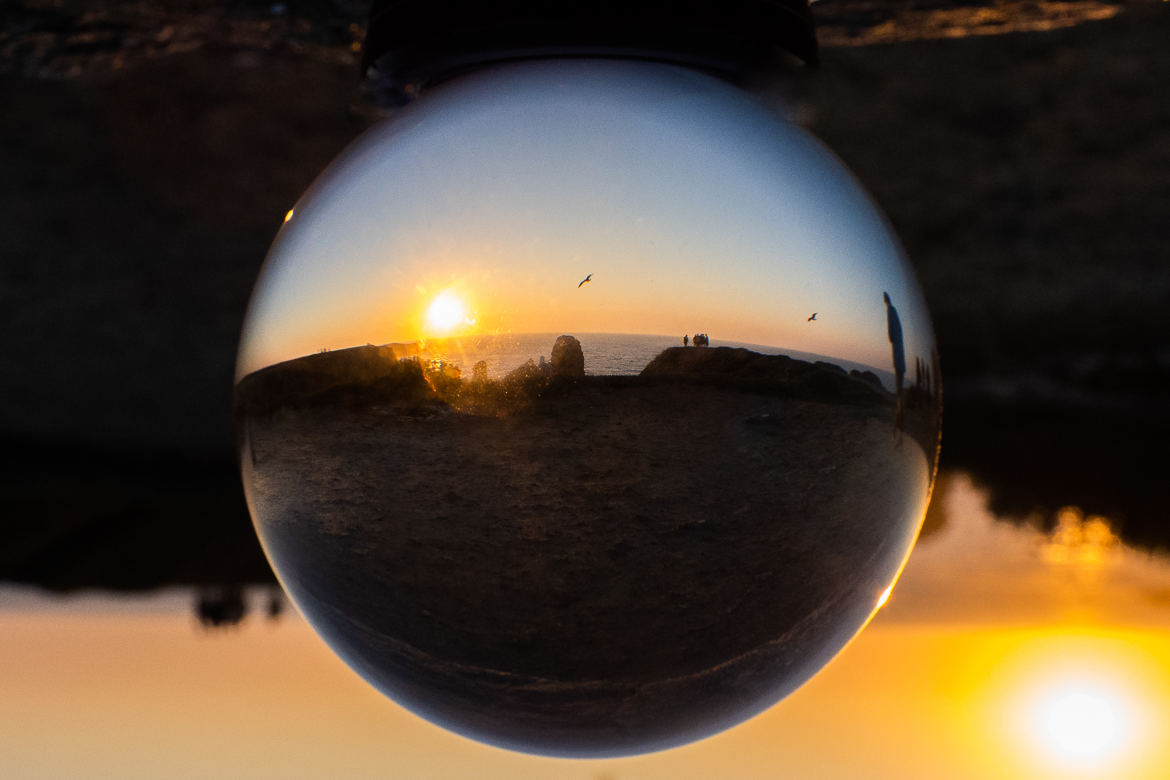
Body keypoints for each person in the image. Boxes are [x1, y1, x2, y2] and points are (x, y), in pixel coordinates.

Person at [883, 292, 906, 432]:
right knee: (899, 389)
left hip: (899, 361)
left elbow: (891, 336)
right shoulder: (893, 312)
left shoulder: (891, 311)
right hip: (900, 361)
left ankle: (899, 420)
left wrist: (887, 304)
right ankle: (899, 418)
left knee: (899, 391)